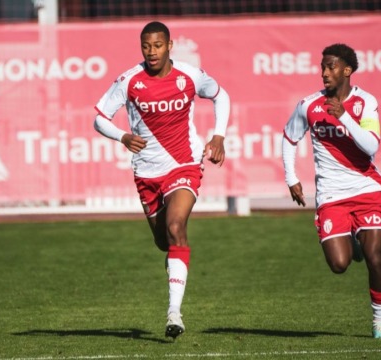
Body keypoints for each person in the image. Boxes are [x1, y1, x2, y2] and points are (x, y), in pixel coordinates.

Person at [94, 21, 230, 339]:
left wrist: (219, 135)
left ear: (170, 45)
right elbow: (99, 117)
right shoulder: (129, 81)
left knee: (175, 227)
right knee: (163, 243)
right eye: (146, 46)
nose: (151, 51)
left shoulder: (190, 76)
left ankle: (174, 314)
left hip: (184, 165)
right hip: (146, 173)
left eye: (157, 45)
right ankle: (174, 273)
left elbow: (222, 96)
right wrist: (123, 136)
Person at [282, 43, 381, 339]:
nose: (325, 73)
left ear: (347, 70)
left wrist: (343, 117)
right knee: (339, 264)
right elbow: (289, 138)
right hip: (332, 196)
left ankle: (379, 322)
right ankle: (352, 241)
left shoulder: (365, 102)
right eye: (322, 67)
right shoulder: (309, 105)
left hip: (368, 190)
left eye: (331, 67)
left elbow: (371, 146)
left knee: (376, 256)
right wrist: (291, 177)